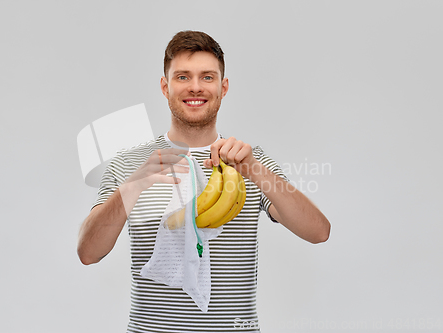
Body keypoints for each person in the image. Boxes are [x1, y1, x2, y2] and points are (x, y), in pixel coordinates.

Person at [77, 30, 330, 332]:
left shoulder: (248, 160)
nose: (195, 87)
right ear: (164, 86)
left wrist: (253, 168)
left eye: (207, 77)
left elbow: (318, 231)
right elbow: (88, 253)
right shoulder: (129, 163)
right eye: (182, 77)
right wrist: (132, 187)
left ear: (224, 87)